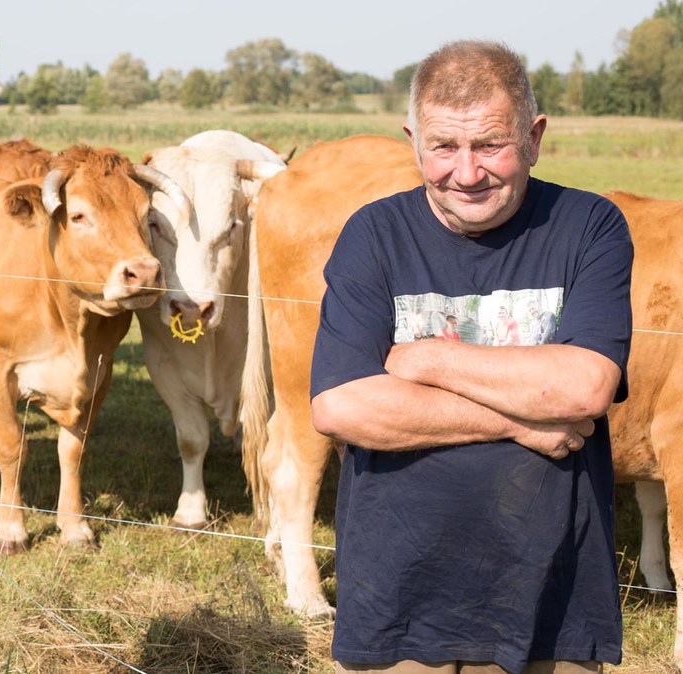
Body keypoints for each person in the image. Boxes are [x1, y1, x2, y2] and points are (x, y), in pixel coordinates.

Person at [309, 41, 632, 674]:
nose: (466, 172)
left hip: (551, 603)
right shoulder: (373, 235)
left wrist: (424, 359)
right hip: (398, 601)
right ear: (413, 141)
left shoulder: (589, 226)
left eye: (490, 145)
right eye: (443, 147)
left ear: (534, 137)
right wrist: (520, 419)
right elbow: (342, 405)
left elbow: (584, 388)